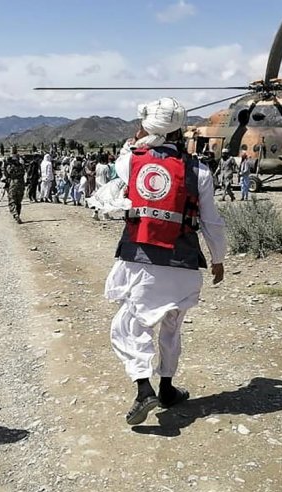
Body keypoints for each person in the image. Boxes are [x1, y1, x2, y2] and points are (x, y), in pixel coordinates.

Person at [105, 97, 227, 425]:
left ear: (148, 128)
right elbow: (212, 221)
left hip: (140, 259)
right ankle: (168, 388)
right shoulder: (199, 170)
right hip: (183, 261)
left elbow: (122, 157)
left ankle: (145, 388)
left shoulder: (131, 160)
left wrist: (136, 138)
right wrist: (218, 258)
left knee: (130, 325)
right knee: (172, 327)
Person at [4, 151, 25, 224]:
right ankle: (18, 214)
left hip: (13, 184)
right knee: (18, 201)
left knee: (12, 200)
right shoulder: (21, 166)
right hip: (21, 184)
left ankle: (15, 215)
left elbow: (7, 174)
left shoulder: (10, 166)